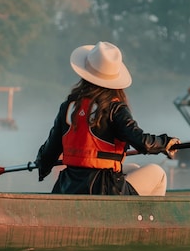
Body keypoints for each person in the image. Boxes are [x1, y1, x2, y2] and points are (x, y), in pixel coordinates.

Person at [35, 41, 179, 195]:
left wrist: (42, 168)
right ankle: (145, 219)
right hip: (103, 189)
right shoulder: (114, 108)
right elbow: (142, 142)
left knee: (134, 169)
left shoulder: (69, 106)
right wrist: (165, 143)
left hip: (68, 186)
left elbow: (49, 152)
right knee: (158, 173)